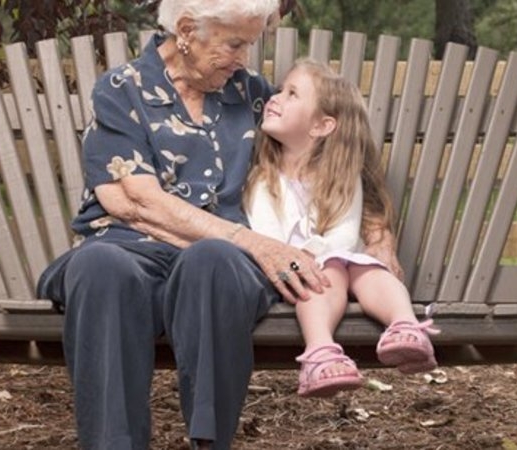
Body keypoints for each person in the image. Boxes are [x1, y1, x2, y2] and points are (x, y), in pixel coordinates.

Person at [35, 1, 402, 448]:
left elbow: (345, 150)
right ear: (187, 30)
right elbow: (134, 200)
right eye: (235, 43)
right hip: (130, 250)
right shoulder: (122, 90)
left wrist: (380, 239)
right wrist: (255, 242)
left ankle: (210, 442)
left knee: (211, 259)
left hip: (224, 267)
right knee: (100, 269)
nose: (244, 59)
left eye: (249, 44)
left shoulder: (249, 95)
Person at [243, 59, 440, 399]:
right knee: (333, 268)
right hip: (288, 274)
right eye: (279, 90)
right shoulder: (263, 180)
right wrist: (311, 260)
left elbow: (346, 236)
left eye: (291, 94)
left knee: (371, 269)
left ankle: (405, 327)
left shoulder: (342, 179)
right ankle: (319, 353)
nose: (275, 99)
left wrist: (322, 256)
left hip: (337, 266)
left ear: (322, 125)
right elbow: (268, 240)